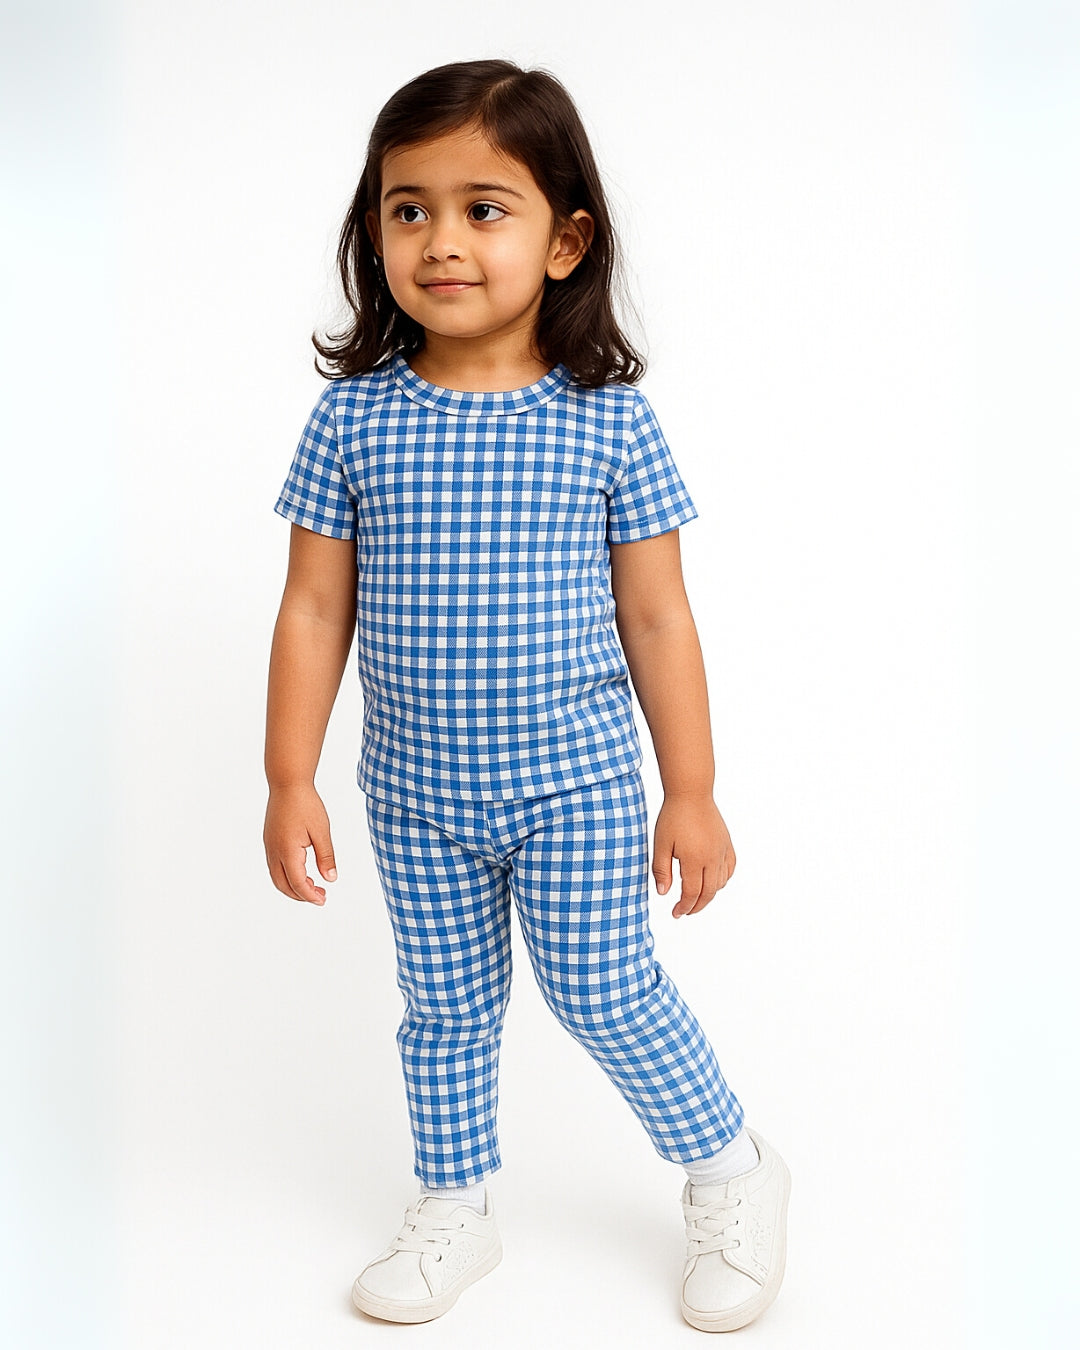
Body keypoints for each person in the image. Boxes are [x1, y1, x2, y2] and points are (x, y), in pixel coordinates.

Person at [263, 58, 790, 1333]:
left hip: (578, 785)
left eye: (483, 207)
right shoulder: (353, 422)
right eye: (408, 208)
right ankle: (455, 1204)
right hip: (416, 793)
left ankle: (734, 1171)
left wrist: (695, 791)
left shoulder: (609, 423)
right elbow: (313, 608)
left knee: (601, 988)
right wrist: (289, 778)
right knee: (443, 1008)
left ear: (566, 239)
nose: (441, 239)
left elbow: (659, 614)